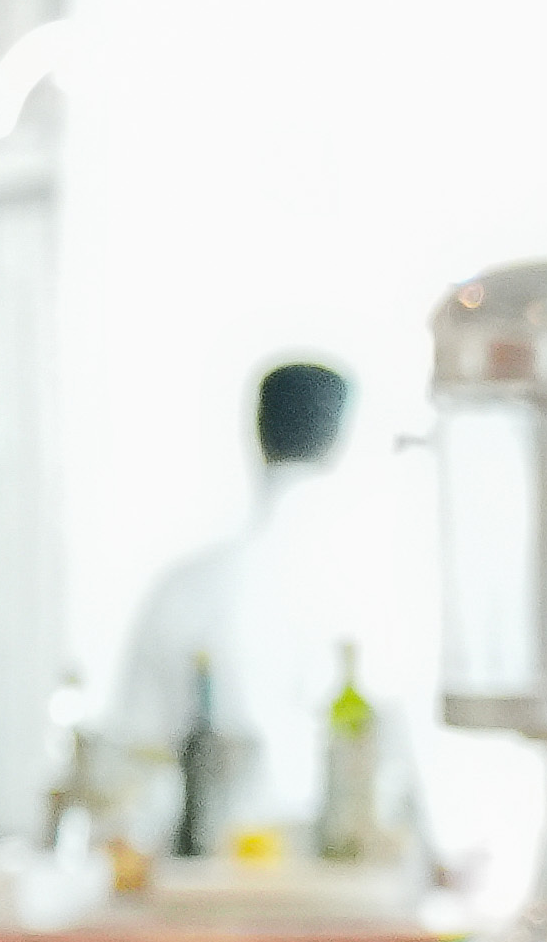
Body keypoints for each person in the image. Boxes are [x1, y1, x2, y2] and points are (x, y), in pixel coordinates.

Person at [105, 360, 369, 871]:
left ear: (256, 436)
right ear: (343, 443)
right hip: (334, 877)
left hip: (202, 877)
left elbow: (131, 757)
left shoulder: (185, 588)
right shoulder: (362, 587)